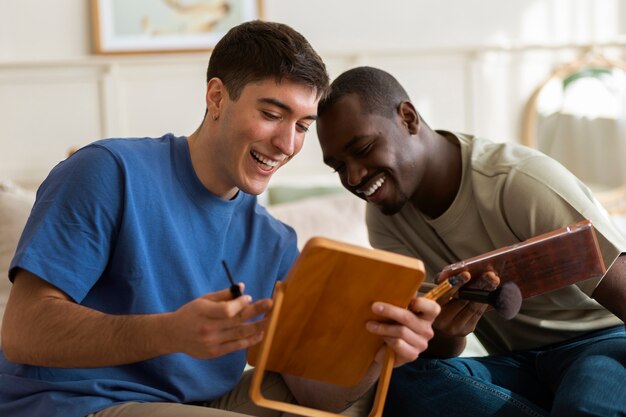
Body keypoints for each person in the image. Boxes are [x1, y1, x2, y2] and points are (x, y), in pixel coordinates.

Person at [0, 26, 440, 417]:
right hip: (79, 400)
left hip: (199, 402)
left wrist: (383, 353)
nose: (287, 143)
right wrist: (171, 332)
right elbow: (22, 333)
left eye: (303, 125)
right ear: (216, 97)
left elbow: (313, 393)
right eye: (271, 114)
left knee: (373, 397)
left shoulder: (274, 240)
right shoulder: (109, 170)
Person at [315, 66, 626, 417]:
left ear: (408, 118)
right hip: (517, 364)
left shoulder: (517, 182)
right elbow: (441, 348)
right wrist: (448, 333)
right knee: (398, 381)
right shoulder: (385, 218)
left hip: (601, 343)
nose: (354, 177)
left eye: (364, 148)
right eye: (338, 167)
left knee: (583, 404)